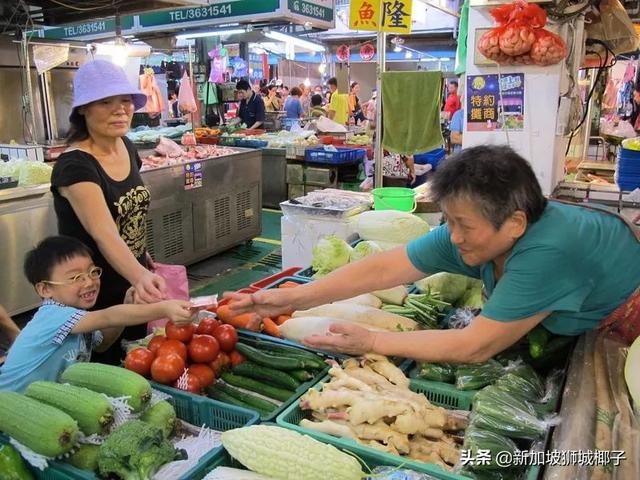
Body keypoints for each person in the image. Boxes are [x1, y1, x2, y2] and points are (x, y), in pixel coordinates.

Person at [225, 145, 640, 360]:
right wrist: (290, 296)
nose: (453, 236)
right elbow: (387, 266)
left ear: (514, 223)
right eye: (449, 221)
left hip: (619, 316)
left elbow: (476, 346)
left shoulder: (548, 253)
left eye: (464, 226)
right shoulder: (474, 228)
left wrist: (372, 340)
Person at [51, 60, 166, 365]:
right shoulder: (75, 166)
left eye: (125, 100)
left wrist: (142, 256)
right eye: (105, 102)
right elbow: (104, 233)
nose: (120, 109)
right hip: (95, 287)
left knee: (137, 357)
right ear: (84, 109)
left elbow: (130, 210)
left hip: (131, 276)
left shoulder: (125, 146)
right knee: (105, 364)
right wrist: (140, 275)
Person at [0, 236, 193, 393]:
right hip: (12, 404)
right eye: (76, 277)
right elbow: (108, 316)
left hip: (42, 404)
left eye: (93, 272)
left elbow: (103, 343)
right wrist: (164, 308)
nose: (90, 282)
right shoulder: (52, 315)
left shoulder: (78, 317)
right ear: (44, 289)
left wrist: (126, 304)